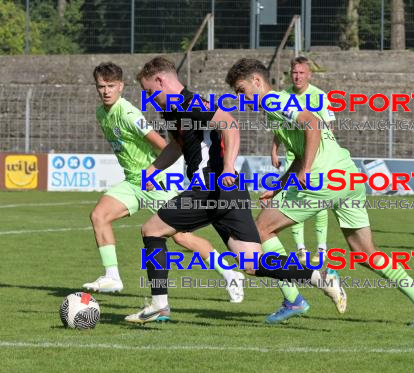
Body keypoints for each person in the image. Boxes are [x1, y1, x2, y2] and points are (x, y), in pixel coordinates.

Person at [125, 57, 345, 324]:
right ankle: (319, 278)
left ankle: (159, 305)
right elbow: (177, 144)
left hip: (210, 185)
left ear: (161, 80)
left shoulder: (189, 101)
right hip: (229, 191)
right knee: (252, 263)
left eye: (150, 92)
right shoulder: (172, 110)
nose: (149, 98)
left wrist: (228, 166)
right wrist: (153, 169)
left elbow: (229, 124)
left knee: (151, 230)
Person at [226, 58, 414, 326]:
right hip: (348, 177)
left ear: (256, 81)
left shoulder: (273, 101)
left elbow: (314, 125)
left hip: (323, 179)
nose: (240, 98)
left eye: (240, 90)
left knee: (258, 232)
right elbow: (305, 145)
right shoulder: (280, 104)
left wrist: (305, 171)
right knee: (364, 252)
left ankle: (295, 297)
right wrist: (280, 185)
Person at [84, 62, 244, 303]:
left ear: (121, 87)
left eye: (110, 86)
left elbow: (164, 144)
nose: (105, 91)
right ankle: (113, 276)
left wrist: (156, 170)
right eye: (101, 87)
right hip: (133, 182)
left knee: (181, 237)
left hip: (157, 183)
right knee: (99, 216)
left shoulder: (127, 113)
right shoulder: (101, 113)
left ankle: (230, 274)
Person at [271, 56, 332, 264]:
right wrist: (274, 149)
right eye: (294, 73)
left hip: (317, 158)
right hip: (293, 157)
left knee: (319, 202)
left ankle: (322, 248)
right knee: (293, 199)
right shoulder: (283, 96)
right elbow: (280, 126)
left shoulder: (319, 96)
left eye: (301, 73)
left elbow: (329, 126)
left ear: (309, 75)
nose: (297, 76)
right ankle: (301, 249)